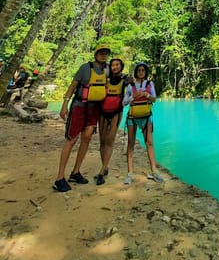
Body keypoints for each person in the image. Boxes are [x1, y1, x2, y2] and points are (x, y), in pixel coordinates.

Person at [52, 44, 111, 192]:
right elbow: (72, 86)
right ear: (96, 54)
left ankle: (75, 172)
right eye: (101, 53)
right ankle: (60, 178)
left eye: (106, 53)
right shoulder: (85, 68)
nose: (103, 55)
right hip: (79, 106)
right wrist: (64, 105)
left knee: (87, 138)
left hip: (94, 109)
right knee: (72, 139)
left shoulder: (107, 69)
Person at [123, 62, 163, 185]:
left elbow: (154, 99)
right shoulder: (130, 86)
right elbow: (124, 102)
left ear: (145, 72)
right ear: (136, 72)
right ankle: (130, 173)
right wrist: (133, 97)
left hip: (146, 117)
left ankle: (154, 171)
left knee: (149, 143)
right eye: (139, 70)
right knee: (131, 143)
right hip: (132, 117)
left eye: (143, 70)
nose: (141, 72)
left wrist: (146, 94)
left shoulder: (150, 84)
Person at [94, 57, 128, 186]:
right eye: (113, 65)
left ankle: (102, 171)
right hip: (102, 112)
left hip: (116, 113)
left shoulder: (125, 80)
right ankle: (105, 167)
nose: (115, 67)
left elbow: (132, 90)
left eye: (117, 65)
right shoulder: (105, 79)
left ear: (121, 66)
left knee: (110, 140)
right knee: (102, 140)